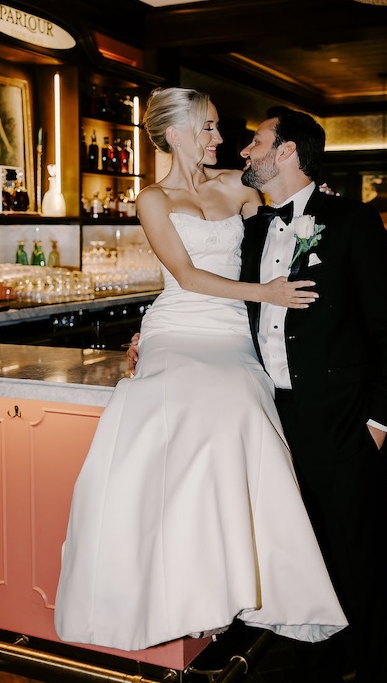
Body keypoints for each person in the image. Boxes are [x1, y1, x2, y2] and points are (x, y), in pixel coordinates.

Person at [54, 87, 347, 653]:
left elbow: (282, 229)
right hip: (178, 326)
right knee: (182, 412)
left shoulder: (239, 186)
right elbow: (185, 276)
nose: (220, 138)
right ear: (176, 133)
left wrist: (321, 203)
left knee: (238, 403)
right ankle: (182, 585)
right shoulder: (151, 199)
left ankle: (241, 579)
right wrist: (264, 293)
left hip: (231, 330)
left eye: (217, 127)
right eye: (208, 127)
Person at [238, 107, 387, 683]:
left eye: (256, 142)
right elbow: (222, 305)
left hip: (344, 421)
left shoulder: (350, 222)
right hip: (272, 418)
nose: (245, 151)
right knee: (297, 557)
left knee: (358, 561)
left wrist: (377, 423)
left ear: (288, 150)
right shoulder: (250, 229)